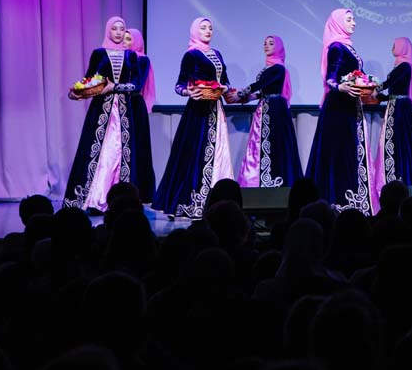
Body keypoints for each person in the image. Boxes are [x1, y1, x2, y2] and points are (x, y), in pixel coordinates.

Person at [64, 17, 151, 212]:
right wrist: (78, 92)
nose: (118, 32)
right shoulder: (99, 53)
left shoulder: (131, 56)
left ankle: (120, 201)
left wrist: (115, 87)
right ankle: (94, 199)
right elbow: (89, 78)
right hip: (101, 111)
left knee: (119, 152)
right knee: (99, 151)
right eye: (114, 29)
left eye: (122, 29)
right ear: (108, 31)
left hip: (124, 111)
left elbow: (136, 85)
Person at [152, 17, 236, 219]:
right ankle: (195, 202)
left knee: (218, 153)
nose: (208, 31)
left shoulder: (217, 54)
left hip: (216, 108)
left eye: (210, 28)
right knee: (195, 154)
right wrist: (188, 92)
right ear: (195, 31)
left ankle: (218, 202)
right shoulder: (191, 55)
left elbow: (225, 81)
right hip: (198, 112)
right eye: (203, 28)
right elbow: (180, 85)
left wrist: (225, 88)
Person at [305, 9, 375, 213]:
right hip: (338, 109)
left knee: (348, 152)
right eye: (349, 19)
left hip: (348, 107)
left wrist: (368, 85)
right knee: (338, 154)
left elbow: (355, 75)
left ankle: (352, 200)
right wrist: (340, 87)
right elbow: (330, 78)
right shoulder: (336, 47)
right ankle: (338, 201)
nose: (354, 23)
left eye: (354, 19)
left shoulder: (347, 46)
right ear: (337, 22)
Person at [370, 37, 412, 213]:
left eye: (395, 45)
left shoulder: (405, 66)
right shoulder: (400, 65)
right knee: (397, 143)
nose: (392, 47)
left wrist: (375, 89)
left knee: (399, 143)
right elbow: (396, 90)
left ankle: (398, 179)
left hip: (400, 110)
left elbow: (391, 84)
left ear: (402, 47)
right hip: (397, 106)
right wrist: (382, 97)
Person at [237, 35, 302, 189]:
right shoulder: (268, 68)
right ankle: (260, 181)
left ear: (278, 47)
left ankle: (275, 180)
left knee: (274, 143)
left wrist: (243, 92)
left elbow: (262, 84)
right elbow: (266, 90)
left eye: (271, 43)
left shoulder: (279, 68)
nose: (267, 46)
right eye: (265, 44)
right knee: (262, 143)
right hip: (266, 107)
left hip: (275, 110)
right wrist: (251, 97)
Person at [122, 28, 156, 201]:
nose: (124, 42)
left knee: (138, 148)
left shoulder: (142, 59)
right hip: (121, 104)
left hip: (134, 105)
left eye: (129, 39)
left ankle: (140, 191)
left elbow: (136, 83)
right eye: (124, 38)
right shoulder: (121, 57)